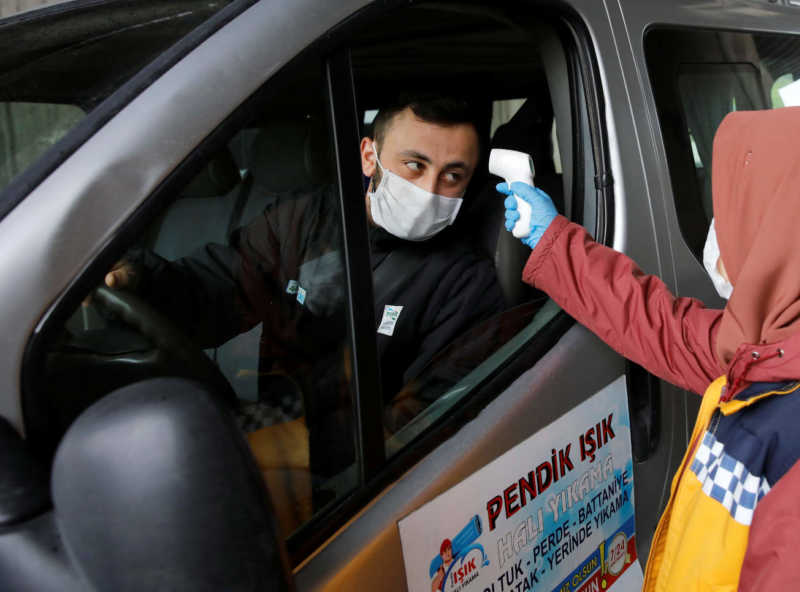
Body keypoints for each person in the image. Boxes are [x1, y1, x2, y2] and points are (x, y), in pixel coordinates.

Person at [497, 107, 800, 591]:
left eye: (732, 212)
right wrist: (553, 240)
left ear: (787, 232)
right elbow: (666, 327)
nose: (719, 234)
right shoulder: (797, 347)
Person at [105, 94, 505, 415]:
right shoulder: (304, 219)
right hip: (277, 424)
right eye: (415, 165)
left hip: (360, 472)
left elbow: (426, 417)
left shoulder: (466, 282)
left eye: (453, 176)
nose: (430, 189)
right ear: (370, 156)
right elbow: (218, 289)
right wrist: (142, 280)